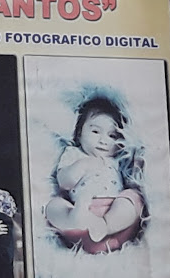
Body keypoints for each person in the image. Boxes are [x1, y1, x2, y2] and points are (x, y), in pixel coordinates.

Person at [44, 96, 145, 253]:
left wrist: (139, 158)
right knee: (53, 206)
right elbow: (64, 182)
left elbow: (133, 178)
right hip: (81, 217)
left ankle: (105, 225)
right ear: (79, 133)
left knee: (133, 198)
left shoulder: (116, 159)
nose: (103, 140)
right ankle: (72, 217)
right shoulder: (74, 154)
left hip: (114, 220)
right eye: (96, 131)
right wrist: (82, 166)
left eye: (112, 136)